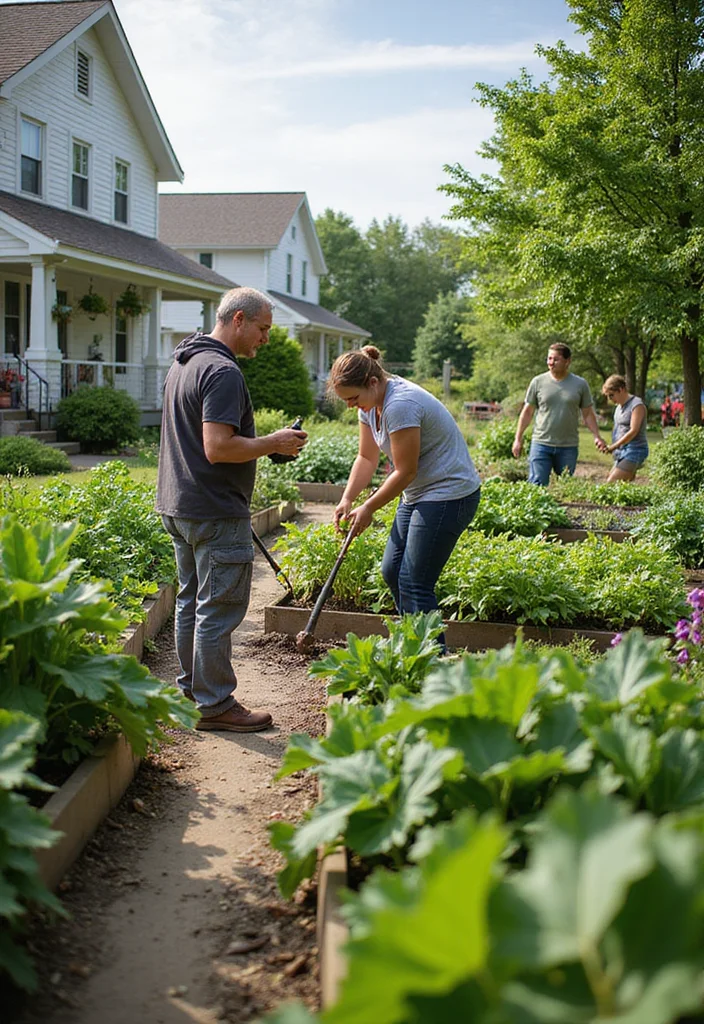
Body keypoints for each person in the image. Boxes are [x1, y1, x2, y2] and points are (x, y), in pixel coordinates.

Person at [156, 287, 307, 732]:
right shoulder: (222, 371)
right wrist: (274, 442)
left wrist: (266, 446)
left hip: (179, 504)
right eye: (263, 328)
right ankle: (215, 703)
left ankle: (194, 692)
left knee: (191, 602)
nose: (266, 339)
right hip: (214, 510)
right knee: (218, 609)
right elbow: (218, 447)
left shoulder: (184, 363)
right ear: (238, 319)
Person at [329, 346, 481, 648]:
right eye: (346, 400)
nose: (350, 405)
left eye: (353, 398)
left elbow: (406, 471)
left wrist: (368, 507)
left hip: (449, 494)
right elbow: (366, 457)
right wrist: (347, 498)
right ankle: (413, 646)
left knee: (414, 581)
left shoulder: (401, 404)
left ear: (373, 382)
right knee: (392, 571)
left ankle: (432, 659)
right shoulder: (369, 405)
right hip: (419, 493)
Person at [512, 342, 607, 485]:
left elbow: (587, 414)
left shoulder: (580, 384)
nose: (551, 362)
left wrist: (597, 436)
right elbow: (527, 412)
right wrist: (518, 439)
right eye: (549, 358)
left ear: (567, 361)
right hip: (541, 443)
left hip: (568, 446)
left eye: (556, 359)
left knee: (565, 485)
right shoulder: (538, 382)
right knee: (537, 484)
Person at [601, 375, 649, 481]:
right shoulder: (618, 407)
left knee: (611, 483)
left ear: (621, 389)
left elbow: (633, 431)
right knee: (619, 484)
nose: (610, 399)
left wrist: (614, 446)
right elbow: (618, 430)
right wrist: (608, 446)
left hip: (635, 450)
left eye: (611, 395)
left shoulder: (637, 405)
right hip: (621, 451)